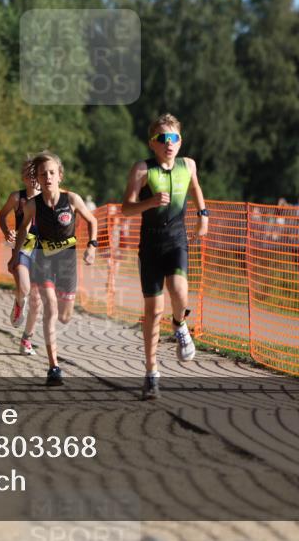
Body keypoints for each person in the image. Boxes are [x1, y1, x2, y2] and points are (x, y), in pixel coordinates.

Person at [121, 114, 208, 400]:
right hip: (150, 246)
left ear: (180, 141)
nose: (168, 143)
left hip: (177, 240)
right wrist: (150, 202)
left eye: (173, 138)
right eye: (162, 138)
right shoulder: (142, 170)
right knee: (153, 312)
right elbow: (126, 209)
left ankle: (180, 324)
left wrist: (203, 216)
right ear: (152, 143)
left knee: (180, 291)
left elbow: (195, 187)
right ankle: (151, 373)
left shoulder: (189, 165)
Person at [10, 151, 97, 386]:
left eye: (51, 173)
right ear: (38, 178)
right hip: (44, 259)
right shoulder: (32, 205)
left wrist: (92, 246)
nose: (47, 177)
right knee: (50, 309)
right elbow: (23, 230)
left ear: (59, 175)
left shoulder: (72, 200)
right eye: (42, 174)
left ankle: (52, 351)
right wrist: (16, 255)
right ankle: (53, 366)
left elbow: (92, 221)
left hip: (67, 261)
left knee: (65, 316)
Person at [0, 157, 43, 355]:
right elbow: (1, 215)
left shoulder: (48, 197)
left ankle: (27, 340)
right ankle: (18, 302)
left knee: (37, 298)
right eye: (29, 174)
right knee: (24, 288)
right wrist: (7, 231)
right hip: (22, 247)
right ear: (23, 177)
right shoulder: (17, 198)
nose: (32, 178)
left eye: (36, 174)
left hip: (43, 249)